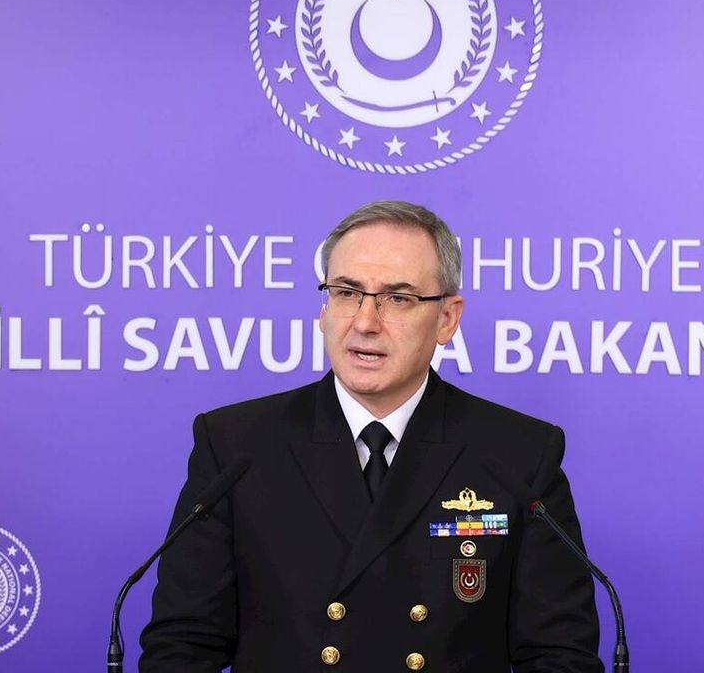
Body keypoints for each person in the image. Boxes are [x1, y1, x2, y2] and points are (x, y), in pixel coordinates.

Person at [140, 201, 602, 672]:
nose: (364, 322)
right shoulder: (237, 446)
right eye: (346, 293)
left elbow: (560, 655)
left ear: (447, 318)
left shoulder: (518, 455)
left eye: (397, 299)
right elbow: (181, 648)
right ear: (324, 309)